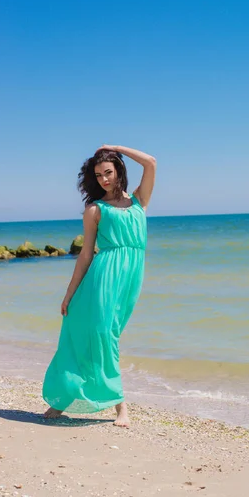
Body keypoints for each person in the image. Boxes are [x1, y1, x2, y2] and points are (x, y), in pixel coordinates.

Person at [42, 145, 156, 428]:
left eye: (108, 172)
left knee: (108, 335)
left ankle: (63, 402)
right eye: (99, 175)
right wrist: (69, 294)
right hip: (102, 277)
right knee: (102, 336)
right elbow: (85, 254)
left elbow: (151, 163)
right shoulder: (95, 209)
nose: (104, 179)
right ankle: (118, 408)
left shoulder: (139, 201)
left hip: (129, 278)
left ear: (119, 171)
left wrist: (115, 149)